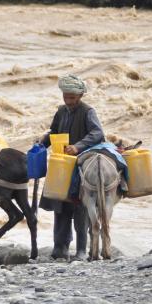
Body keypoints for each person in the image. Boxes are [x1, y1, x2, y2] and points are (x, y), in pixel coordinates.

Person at [40, 74, 105, 261]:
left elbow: (98, 133)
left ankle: (82, 251)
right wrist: (42, 143)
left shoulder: (88, 111)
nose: (68, 101)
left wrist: (78, 146)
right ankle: (59, 248)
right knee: (60, 206)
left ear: (80, 96)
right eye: (65, 96)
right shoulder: (61, 111)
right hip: (61, 164)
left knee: (80, 208)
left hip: (80, 165)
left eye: (72, 98)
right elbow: (54, 132)